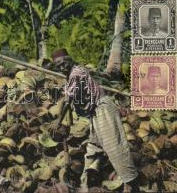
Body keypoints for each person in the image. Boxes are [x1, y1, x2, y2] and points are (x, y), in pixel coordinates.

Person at [50, 49, 139, 192]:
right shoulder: (70, 76)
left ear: (70, 60)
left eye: (63, 63)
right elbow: (69, 98)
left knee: (114, 147)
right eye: (58, 66)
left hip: (102, 110)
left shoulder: (76, 73)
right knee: (93, 147)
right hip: (94, 113)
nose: (62, 67)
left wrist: (58, 121)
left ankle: (132, 183)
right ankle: (85, 183)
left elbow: (68, 101)